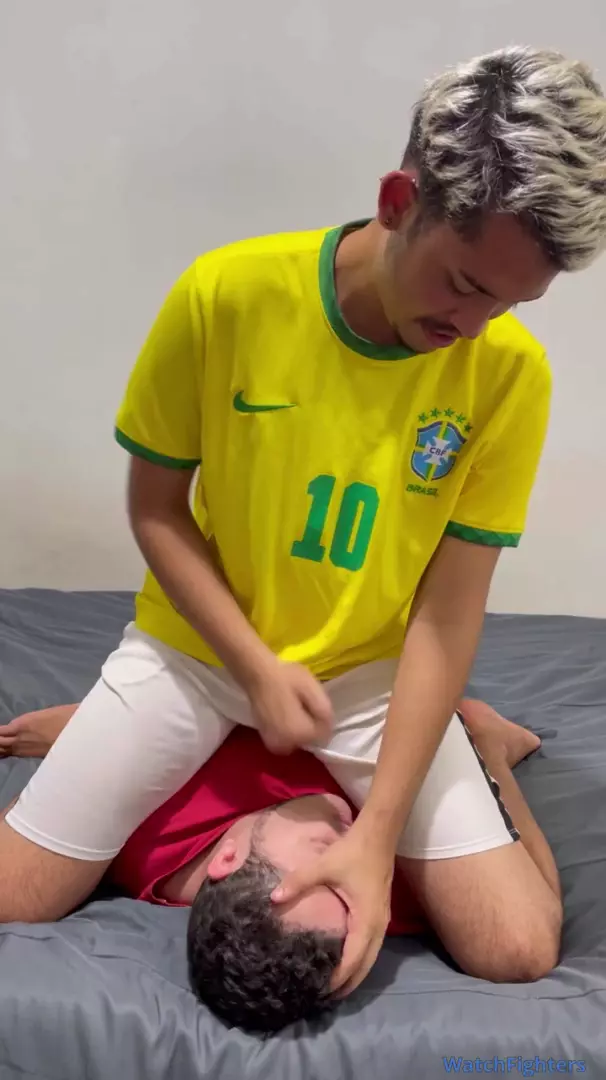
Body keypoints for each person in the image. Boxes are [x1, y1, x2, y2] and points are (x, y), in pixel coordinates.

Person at [1, 45, 604, 995]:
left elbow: (448, 612)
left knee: (517, 951)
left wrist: (378, 834)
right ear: (399, 201)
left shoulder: (510, 374)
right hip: (199, 653)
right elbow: (156, 511)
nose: (475, 324)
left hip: (371, 677)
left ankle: (479, 739)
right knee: (12, 896)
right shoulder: (227, 295)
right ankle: (122, 723)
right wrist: (252, 669)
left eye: (510, 302)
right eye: (464, 284)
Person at [0, 698, 542, 1032]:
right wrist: (489, 759)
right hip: (392, 713)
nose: (348, 852)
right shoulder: (388, 896)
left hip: (248, 685)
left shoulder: (145, 837)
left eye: (318, 855)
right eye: (347, 894)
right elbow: (530, 892)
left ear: (228, 858)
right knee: (517, 948)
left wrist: (81, 737)